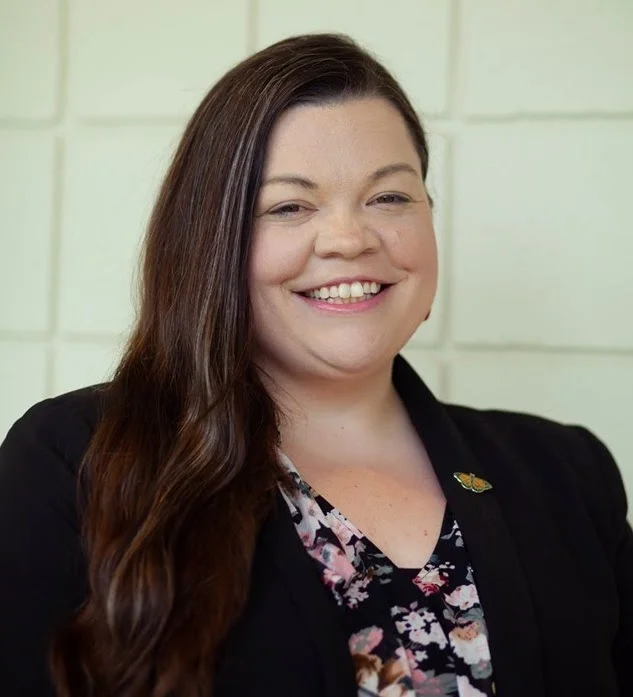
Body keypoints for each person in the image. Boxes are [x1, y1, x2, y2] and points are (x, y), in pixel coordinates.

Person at [0, 33, 630, 697]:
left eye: (389, 197)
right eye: (289, 206)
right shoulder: (77, 461)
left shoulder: (566, 474)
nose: (349, 239)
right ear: (211, 240)